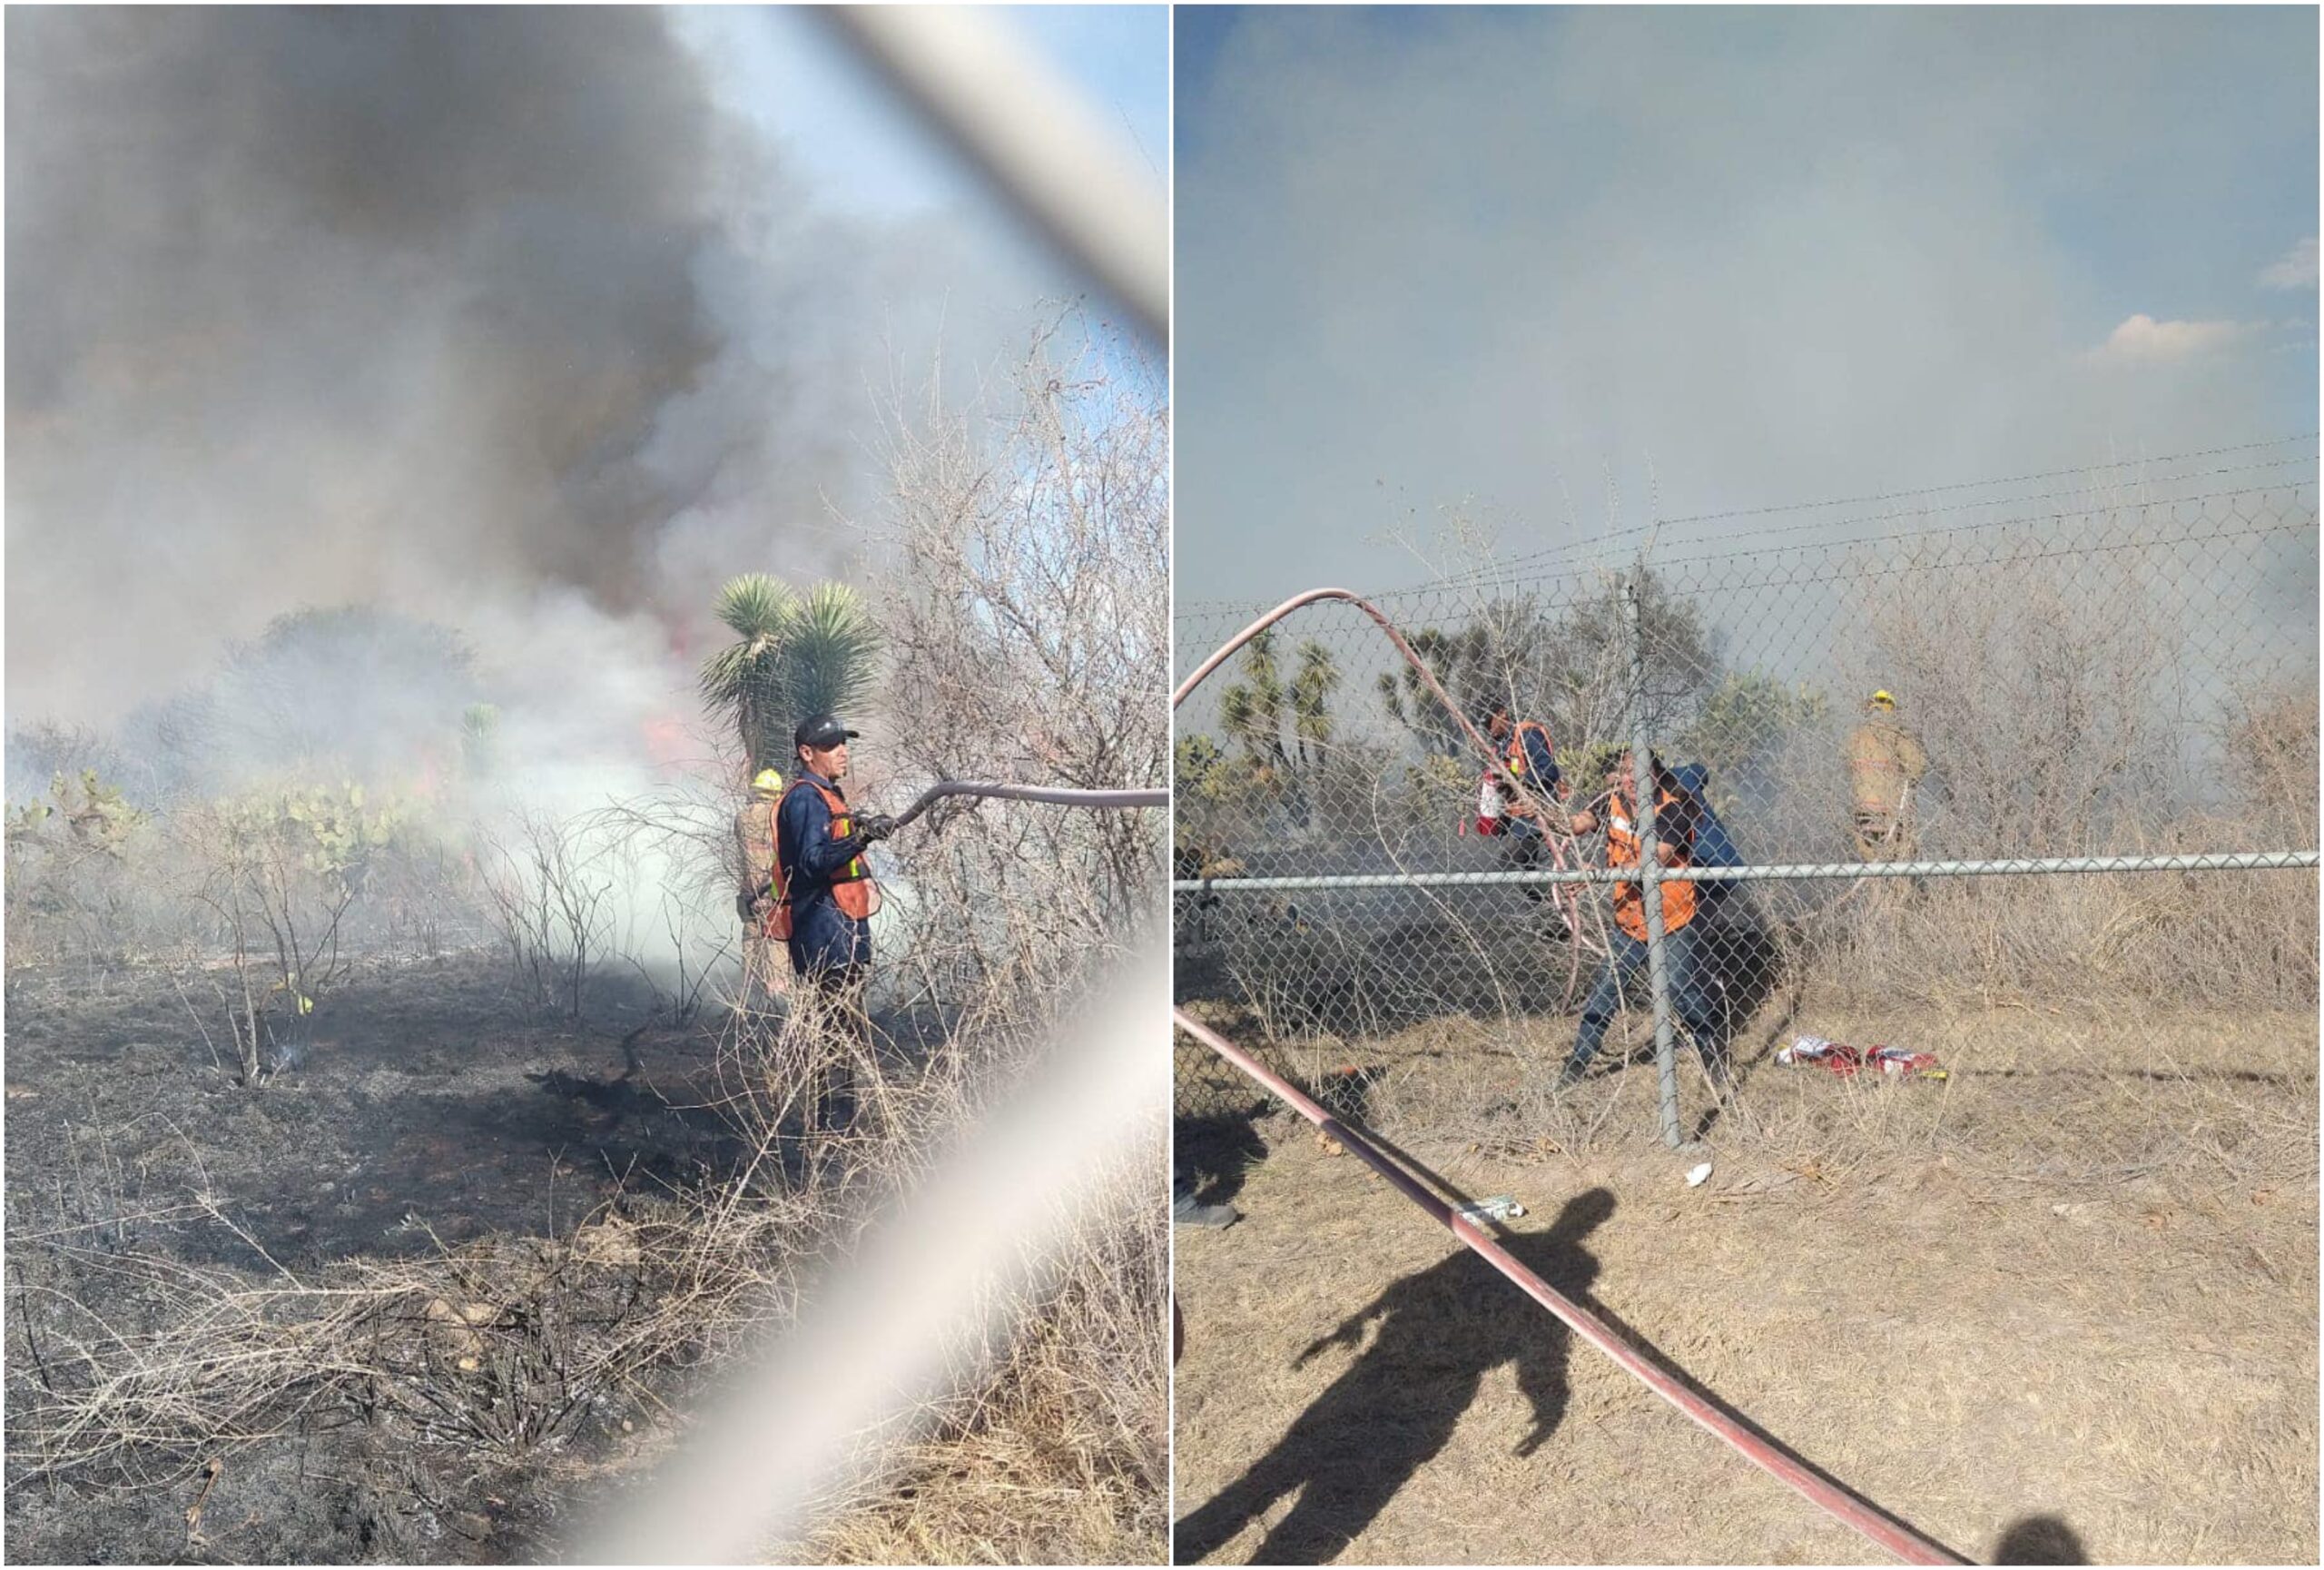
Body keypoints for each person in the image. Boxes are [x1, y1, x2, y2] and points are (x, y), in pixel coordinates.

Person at [1556, 749, 1729, 1089]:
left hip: (1671, 920)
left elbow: (1651, 865)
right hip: (1631, 921)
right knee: (1606, 990)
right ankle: (1577, 1064)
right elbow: (1577, 823)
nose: (1631, 781)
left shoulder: (1674, 807)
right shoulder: (1613, 801)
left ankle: (1711, 1052)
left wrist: (1600, 875)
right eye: (1624, 773)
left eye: (1639, 773)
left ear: (1655, 774)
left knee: (1678, 988)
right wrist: (1540, 805)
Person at [766, 713, 898, 1132]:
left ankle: (839, 1126)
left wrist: (860, 828)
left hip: (839, 934)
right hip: (825, 937)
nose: (843, 751)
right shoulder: (805, 798)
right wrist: (861, 838)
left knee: (842, 1035)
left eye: (844, 743)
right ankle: (837, 1130)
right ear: (807, 753)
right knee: (838, 1037)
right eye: (831, 745)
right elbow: (810, 863)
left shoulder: (828, 795)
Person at [1482, 706, 1571, 938]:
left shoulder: (1527, 735)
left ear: (1501, 714)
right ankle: (1555, 922)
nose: (1486, 729)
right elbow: (1508, 775)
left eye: (1488, 722)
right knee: (1528, 872)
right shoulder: (1501, 745)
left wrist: (1519, 782)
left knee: (1508, 865)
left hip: (1539, 814)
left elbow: (1548, 770)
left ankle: (1558, 913)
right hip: (1519, 819)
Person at [1846, 689, 1930, 862]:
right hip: (1893, 811)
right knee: (1900, 856)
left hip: (1863, 810)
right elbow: (1918, 766)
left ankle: (1877, 883)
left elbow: (1846, 761)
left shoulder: (1856, 737)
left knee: (1870, 860)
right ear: (1891, 709)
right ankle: (1897, 886)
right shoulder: (1897, 735)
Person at [734, 765, 786, 997]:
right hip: (772, 890)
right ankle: (778, 994)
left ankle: (747, 994)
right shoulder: (777, 816)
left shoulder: (741, 817)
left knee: (751, 939)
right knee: (776, 941)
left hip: (748, 893)